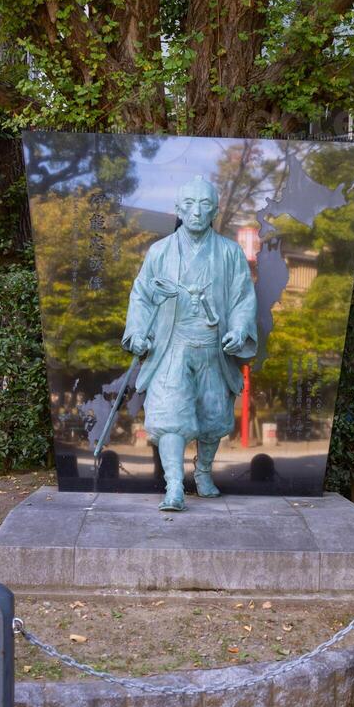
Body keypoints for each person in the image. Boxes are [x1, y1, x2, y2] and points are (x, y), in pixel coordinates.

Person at [122, 176, 258, 510]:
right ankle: (173, 486)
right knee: (170, 415)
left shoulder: (229, 252)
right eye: (189, 205)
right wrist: (137, 334)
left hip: (212, 346)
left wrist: (239, 330)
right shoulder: (161, 252)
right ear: (178, 210)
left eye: (204, 205)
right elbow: (141, 295)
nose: (196, 212)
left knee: (212, 417)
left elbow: (243, 298)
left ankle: (204, 472)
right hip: (171, 347)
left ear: (214, 209)